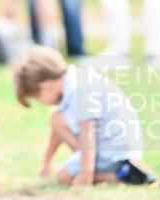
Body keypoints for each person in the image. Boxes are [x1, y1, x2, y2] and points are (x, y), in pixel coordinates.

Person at [13, 46, 151, 186]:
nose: (41, 103)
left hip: (115, 152)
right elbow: (57, 127)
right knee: (56, 118)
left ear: (45, 87)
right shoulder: (73, 80)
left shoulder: (80, 90)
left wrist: (86, 176)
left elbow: (88, 134)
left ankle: (123, 175)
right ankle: (116, 172)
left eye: (37, 98)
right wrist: (46, 162)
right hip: (111, 147)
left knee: (63, 177)